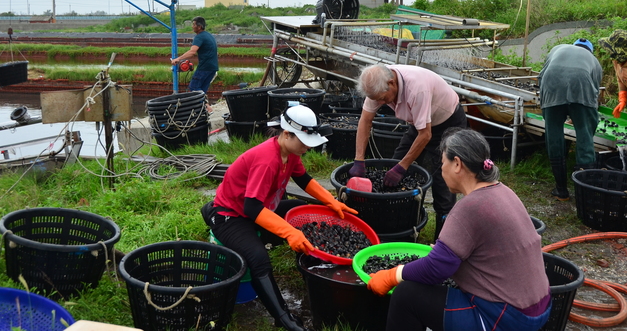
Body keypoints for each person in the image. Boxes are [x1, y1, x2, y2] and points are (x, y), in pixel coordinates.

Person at [366, 128, 551, 331]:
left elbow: (436, 269)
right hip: (537, 308)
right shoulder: (504, 191)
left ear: (457, 164)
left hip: (506, 317)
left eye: (443, 162)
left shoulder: (470, 207)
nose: (441, 169)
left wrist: (392, 275)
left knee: (406, 295)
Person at [200, 105, 356, 331]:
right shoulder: (267, 160)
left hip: (259, 209)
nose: (306, 148)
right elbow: (251, 208)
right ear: (286, 134)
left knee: (304, 212)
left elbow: (303, 179)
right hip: (230, 215)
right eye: (303, 142)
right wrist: (288, 231)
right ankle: (284, 319)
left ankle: (313, 262)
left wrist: (330, 201)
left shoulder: (290, 152)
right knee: (258, 260)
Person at [349, 64, 467, 241]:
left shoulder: (416, 89)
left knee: (443, 185)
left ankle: (443, 242)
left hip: (448, 123)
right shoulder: (376, 85)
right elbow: (365, 121)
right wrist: (359, 160)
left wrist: (402, 167)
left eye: (382, 99)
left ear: (392, 83)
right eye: (377, 100)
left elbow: (425, 135)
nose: (381, 103)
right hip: (419, 124)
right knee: (392, 168)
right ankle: (395, 224)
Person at [538, 38, 603, 200]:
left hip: (551, 83)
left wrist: (548, 105)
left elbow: (541, 77)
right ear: (590, 51)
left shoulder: (557, 48)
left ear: (573, 46)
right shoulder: (594, 61)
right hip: (582, 85)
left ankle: (561, 190)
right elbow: (594, 96)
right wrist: (582, 118)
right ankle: (585, 194)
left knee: (553, 134)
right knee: (585, 135)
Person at [171, 16, 219, 97]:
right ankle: (206, 107)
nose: (192, 26)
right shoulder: (209, 35)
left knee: (194, 88)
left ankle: (206, 107)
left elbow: (192, 52)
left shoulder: (199, 37)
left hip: (204, 68)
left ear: (199, 27)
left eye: (194, 24)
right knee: (202, 91)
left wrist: (178, 59)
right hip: (213, 68)